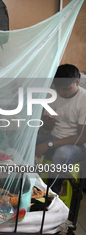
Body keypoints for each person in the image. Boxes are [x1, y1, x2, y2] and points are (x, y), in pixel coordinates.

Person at [35, 64, 86, 194]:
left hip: (78, 144)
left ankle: (51, 196)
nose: (61, 92)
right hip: (54, 137)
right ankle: (35, 186)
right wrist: (47, 123)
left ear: (77, 83)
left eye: (66, 89)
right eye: (58, 88)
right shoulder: (53, 94)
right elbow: (47, 125)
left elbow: (82, 137)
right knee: (28, 142)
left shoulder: (83, 100)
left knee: (61, 155)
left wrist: (49, 144)